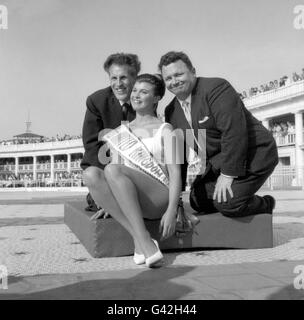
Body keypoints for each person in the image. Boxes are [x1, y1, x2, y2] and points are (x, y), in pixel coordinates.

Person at [159, 51, 278, 218]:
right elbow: (181, 155)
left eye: (178, 74)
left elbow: (234, 132)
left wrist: (228, 175)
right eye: (168, 78)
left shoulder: (216, 88)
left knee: (227, 203)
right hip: (220, 161)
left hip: (255, 154)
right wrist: (176, 197)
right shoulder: (171, 110)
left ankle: (265, 203)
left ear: (193, 71)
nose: (174, 81)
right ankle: (232, 196)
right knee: (197, 200)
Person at [99, 74, 182, 267]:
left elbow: (176, 174)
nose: (136, 95)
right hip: (133, 198)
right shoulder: (123, 132)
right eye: (134, 90)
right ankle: (141, 239)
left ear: (156, 98)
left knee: (111, 169)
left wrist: (171, 210)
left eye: (144, 92)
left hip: (158, 198)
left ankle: (143, 240)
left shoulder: (165, 130)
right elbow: (117, 174)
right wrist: (107, 201)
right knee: (91, 175)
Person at [81, 53, 140, 213]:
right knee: (100, 200)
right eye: (113, 78)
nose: (118, 84)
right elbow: (92, 147)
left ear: (135, 78)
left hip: (135, 175)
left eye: (124, 78)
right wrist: (110, 189)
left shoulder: (144, 98)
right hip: (105, 174)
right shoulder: (96, 101)